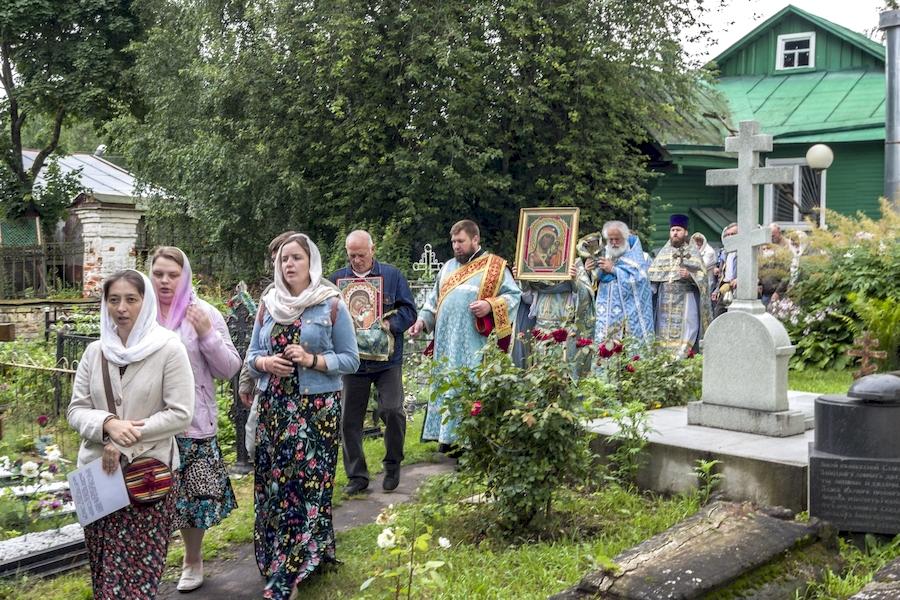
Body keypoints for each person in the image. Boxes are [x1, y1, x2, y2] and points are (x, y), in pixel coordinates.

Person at [68, 269, 195, 599]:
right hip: (98, 476)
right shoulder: (95, 353)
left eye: (130, 299)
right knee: (103, 570)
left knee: (132, 579)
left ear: (146, 302)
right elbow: (76, 410)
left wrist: (128, 440)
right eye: (113, 300)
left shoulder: (169, 349)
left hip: (147, 476)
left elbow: (180, 413)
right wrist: (108, 423)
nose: (121, 308)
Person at [247, 233, 359, 600]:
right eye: (283, 259)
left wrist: (312, 360)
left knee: (307, 489)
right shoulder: (268, 304)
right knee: (275, 489)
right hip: (274, 410)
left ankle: (286, 575)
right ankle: (297, 555)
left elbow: (350, 360)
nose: (289, 264)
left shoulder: (329, 304)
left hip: (316, 411)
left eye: (296, 257)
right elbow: (251, 357)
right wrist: (267, 363)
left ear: (311, 263)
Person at [149, 247, 242, 592]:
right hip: (149, 423)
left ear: (185, 276)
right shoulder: (142, 312)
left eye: (173, 274)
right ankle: (148, 564)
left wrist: (206, 334)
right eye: (159, 274)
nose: (165, 281)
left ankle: (192, 560)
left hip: (193, 422)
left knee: (190, 500)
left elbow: (229, 368)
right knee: (148, 494)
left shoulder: (204, 313)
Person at [409, 220, 521, 453]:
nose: (456, 246)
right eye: (453, 242)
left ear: (475, 240)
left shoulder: (495, 266)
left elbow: (513, 296)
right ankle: (446, 439)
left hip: (474, 344)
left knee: (470, 388)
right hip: (446, 343)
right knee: (448, 386)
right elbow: (433, 300)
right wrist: (421, 321)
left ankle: (469, 441)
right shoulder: (448, 267)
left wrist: (489, 305)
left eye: (460, 241)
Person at [329, 230, 417, 495]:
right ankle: (357, 477)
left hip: (387, 361)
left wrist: (390, 323)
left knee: (392, 410)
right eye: (351, 255)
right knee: (348, 421)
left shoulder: (391, 276)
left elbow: (410, 311)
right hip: (353, 362)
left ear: (373, 250)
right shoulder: (337, 280)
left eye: (361, 254)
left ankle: (392, 465)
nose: (356, 260)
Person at [239, 231, 297, 463]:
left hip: (306, 389)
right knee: (255, 442)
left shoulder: (323, 295)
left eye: (283, 259)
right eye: (275, 262)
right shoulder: (269, 296)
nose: (280, 267)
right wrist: (246, 381)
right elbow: (256, 343)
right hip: (268, 383)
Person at [648, 214, 712, 355]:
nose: (675, 233)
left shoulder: (692, 253)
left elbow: (703, 278)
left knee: (685, 335)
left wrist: (690, 276)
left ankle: (683, 359)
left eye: (678, 230)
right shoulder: (663, 253)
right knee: (663, 336)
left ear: (686, 232)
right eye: (673, 230)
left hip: (686, 300)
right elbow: (653, 276)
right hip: (664, 303)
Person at [587, 221, 654, 347]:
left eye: (617, 239)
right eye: (610, 239)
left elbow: (641, 282)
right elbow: (592, 283)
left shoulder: (639, 257)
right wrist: (588, 270)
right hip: (606, 313)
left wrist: (613, 269)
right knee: (606, 351)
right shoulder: (603, 254)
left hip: (629, 317)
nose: (613, 243)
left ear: (625, 237)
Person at [712, 223, 738, 319]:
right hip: (725, 288)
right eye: (728, 235)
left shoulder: (745, 251)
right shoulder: (724, 252)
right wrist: (716, 290)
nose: (730, 237)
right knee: (718, 317)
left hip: (739, 289)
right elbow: (722, 274)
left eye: (733, 234)